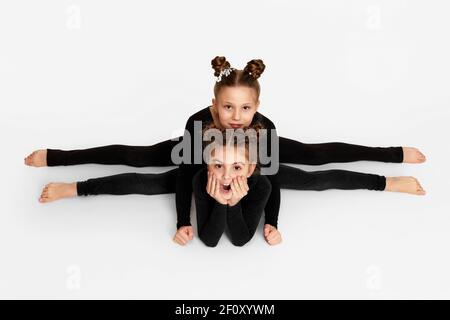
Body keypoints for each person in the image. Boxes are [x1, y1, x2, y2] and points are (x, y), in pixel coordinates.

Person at [25, 56, 427, 246]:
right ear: (215, 105)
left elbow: (271, 180)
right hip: (206, 161)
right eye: (228, 107)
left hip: (248, 163)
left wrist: (270, 220)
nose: (237, 116)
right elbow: (185, 176)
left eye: (246, 107)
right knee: (139, 164)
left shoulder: (263, 129)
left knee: (314, 165)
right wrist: (184, 217)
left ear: (257, 107)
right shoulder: (198, 124)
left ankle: (388, 168)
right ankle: (65, 172)